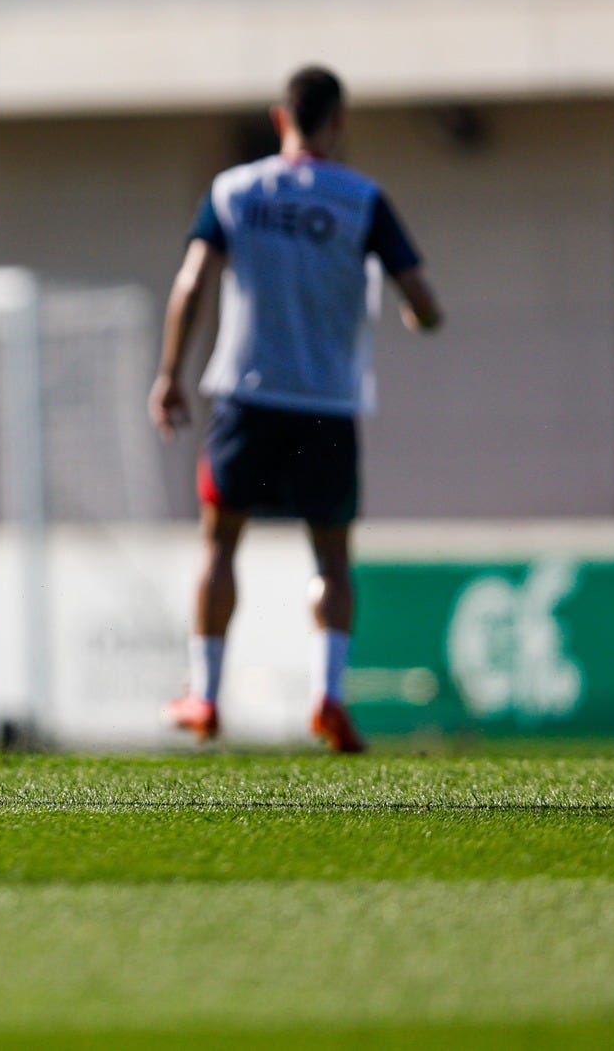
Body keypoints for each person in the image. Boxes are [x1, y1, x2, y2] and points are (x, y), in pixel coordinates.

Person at [148, 65, 442, 753]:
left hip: (247, 394)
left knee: (220, 545)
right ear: (338, 123)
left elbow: (192, 282)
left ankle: (206, 695)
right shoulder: (361, 198)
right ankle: (329, 696)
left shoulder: (236, 189)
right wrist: (421, 316)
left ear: (282, 119)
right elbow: (422, 300)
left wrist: (169, 374)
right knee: (332, 558)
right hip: (326, 403)